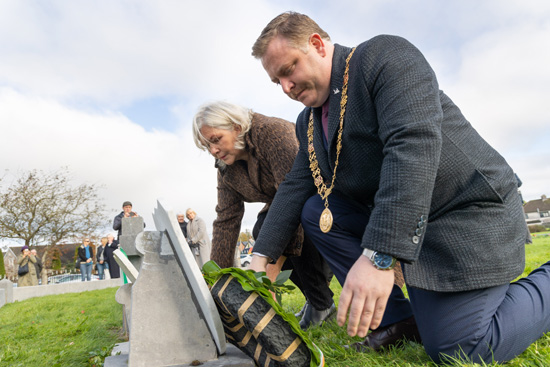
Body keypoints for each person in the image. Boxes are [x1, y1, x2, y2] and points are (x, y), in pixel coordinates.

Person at [249, 11, 549, 364]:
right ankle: (397, 319)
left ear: (316, 44)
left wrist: (379, 256)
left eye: (289, 70)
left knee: (460, 348)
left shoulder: (384, 58)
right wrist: (257, 262)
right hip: (414, 226)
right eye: (276, 82)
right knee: (317, 210)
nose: (286, 87)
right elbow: (294, 187)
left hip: (465, 212)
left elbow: (412, 146)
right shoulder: (309, 123)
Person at [193, 101, 356, 329]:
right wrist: (215, 282)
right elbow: (226, 220)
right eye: (206, 145)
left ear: (236, 127)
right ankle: (320, 301)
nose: (213, 150)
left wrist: (267, 272)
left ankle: (320, 301)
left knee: (272, 229)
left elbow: (294, 199)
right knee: (265, 227)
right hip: (284, 205)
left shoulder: (273, 133)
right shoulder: (225, 165)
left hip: (323, 204)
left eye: (216, 139)